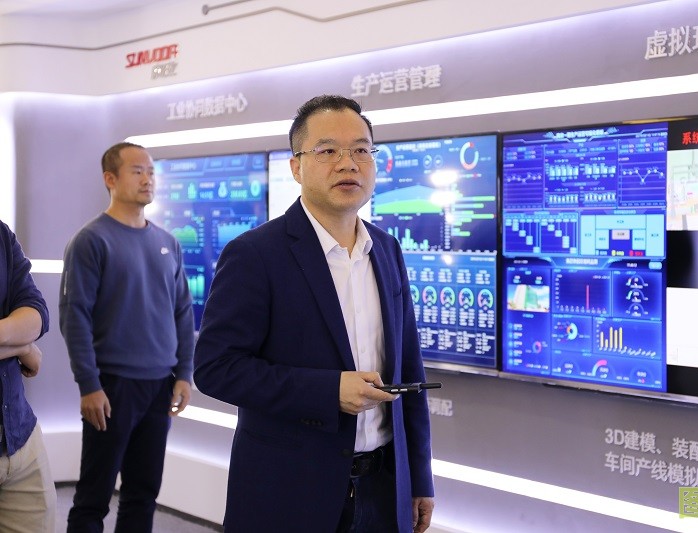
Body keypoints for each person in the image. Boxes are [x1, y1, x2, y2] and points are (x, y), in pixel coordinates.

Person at [194, 95, 435, 532]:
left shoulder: (386, 249)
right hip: (290, 494)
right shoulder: (255, 254)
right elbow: (216, 368)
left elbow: (409, 368)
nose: (348, 164)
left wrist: (418, 478)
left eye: (361, 150)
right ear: (296, 167)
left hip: (385, 489)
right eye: (328, 151)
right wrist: (328, 391)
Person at [59, 142, 195, 532]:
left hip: (159, 386)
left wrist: (184, 374)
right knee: (93, 499)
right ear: (110, 179)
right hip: (111, 388)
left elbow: (182, 311)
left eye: (151, 171)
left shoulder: (168, 242)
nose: (147, 179)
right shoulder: (91, 241)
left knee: (143, 494)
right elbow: (74, 317)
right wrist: (89, 385)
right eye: (137, 171)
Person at [0, 220, 56, 532]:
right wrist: (23, 348)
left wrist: (23, 344)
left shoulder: (1, 235)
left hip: (19, 436)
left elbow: (36, 313)